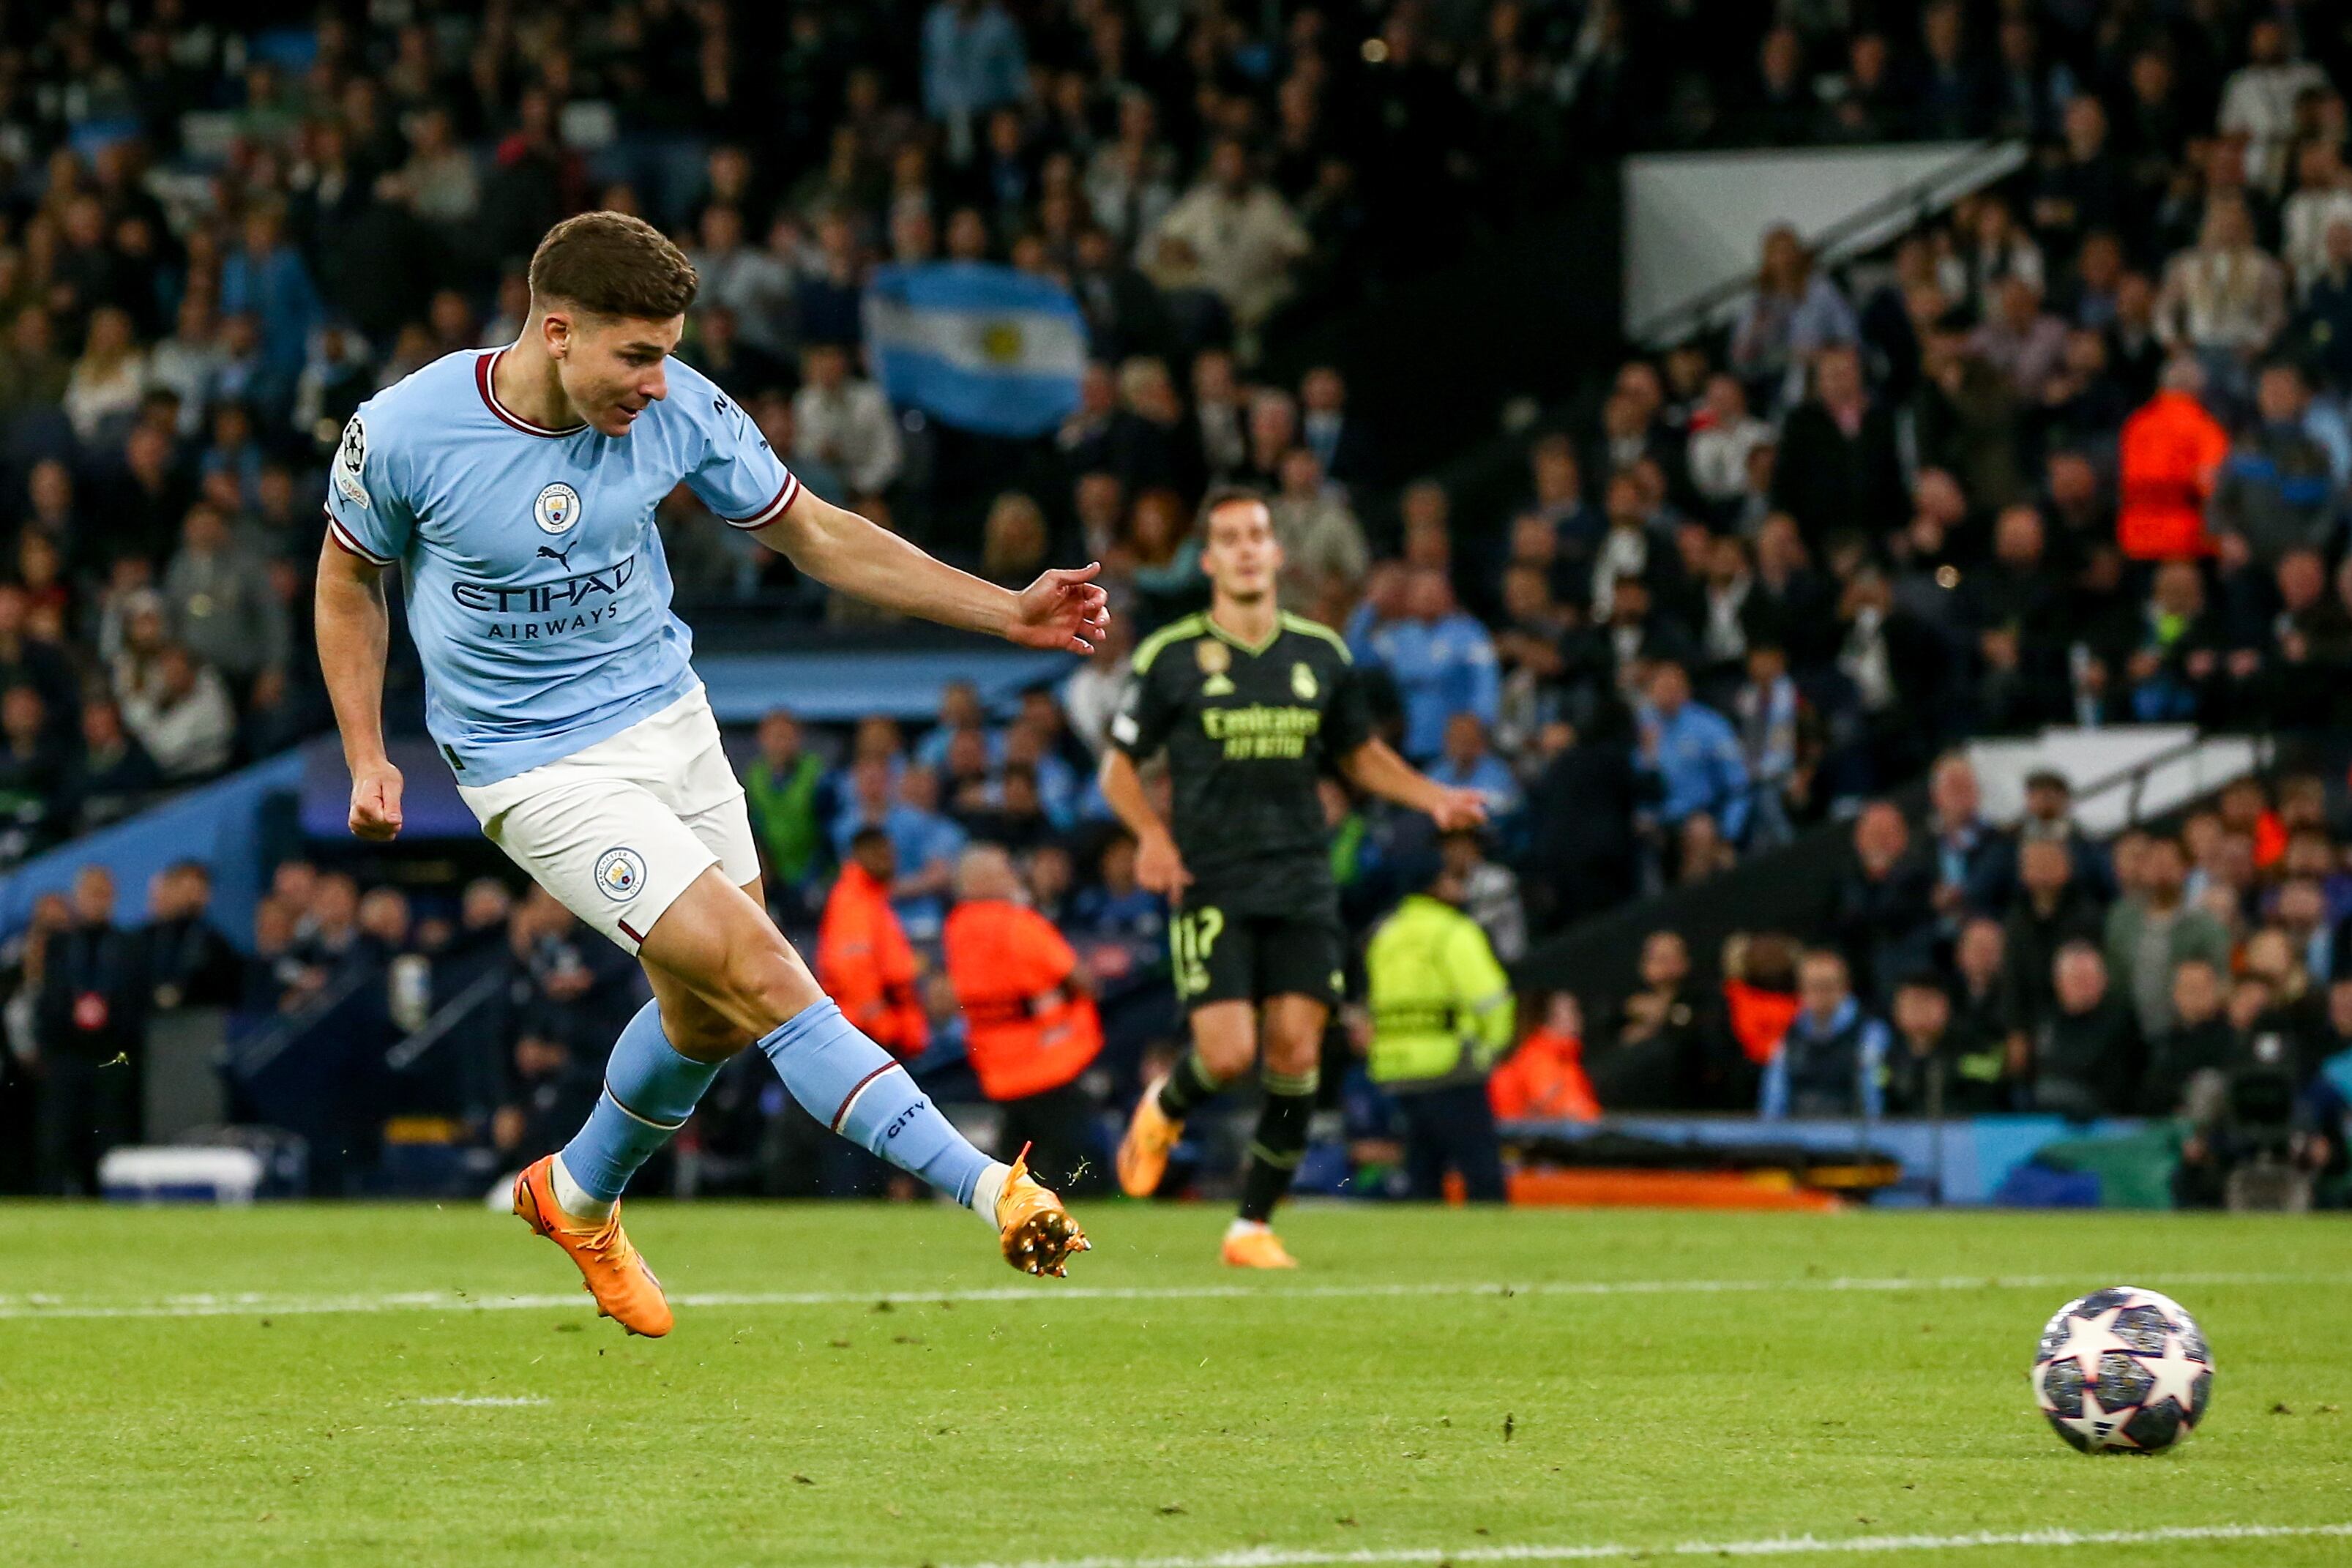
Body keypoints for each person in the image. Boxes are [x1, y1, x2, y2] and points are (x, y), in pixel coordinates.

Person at [316, 212, 1094, 1337]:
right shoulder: (404, 432)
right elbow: (349, 583)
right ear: (558, 329)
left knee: (712, 1015)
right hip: (532, 764)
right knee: (762, 971)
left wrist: (1003, 608)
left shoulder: (679, 410)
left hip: (670, 723)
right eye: (636, 355)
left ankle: (575, 1195)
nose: (656, 379)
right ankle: (990, 1186)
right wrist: (366, 750)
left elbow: (818, 535)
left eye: (670, 351)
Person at [1102, 488, 1485, 1267]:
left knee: (1297, 1049)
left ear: (1278, 555)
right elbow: (1119, 769)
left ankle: (1252, 1227)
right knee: (1232, 1052)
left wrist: (1433, 795)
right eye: (1231, 539)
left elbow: (1359, 756)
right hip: (1213, 878)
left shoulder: (1321, 654)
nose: (1246, 549)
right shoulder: (1171, 657)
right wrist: (1151, 837)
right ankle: (1166, 1104)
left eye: (1258, 537)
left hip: (1304, 877)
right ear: (1210, 561)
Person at [942, 845, 1103, 1192]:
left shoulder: (957, 929)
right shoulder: (1018, 924)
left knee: (1017, 1152)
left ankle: (1002, 1202)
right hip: (1047, 1058)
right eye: (1004, 868)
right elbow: (1079, 978)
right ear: (985, 879)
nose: (1013, 874)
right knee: (1071, 1157)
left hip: (996, 1064)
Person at [1364, 851, 1516, 1203]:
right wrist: (1494, 1047)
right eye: (1451, 878)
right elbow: (1490, 998)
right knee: (1483, 1175)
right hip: (1452, 1065)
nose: (1459, 885)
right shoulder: (1453, 931)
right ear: (1434, 884)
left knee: (1422, 1174)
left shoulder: (1385, 933)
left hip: (1398, 1068)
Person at [31, 867, 146, 1195]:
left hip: (110, 1058)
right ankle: (50, 1209)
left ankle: (109, 1204)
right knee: (56, 1142)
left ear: (113, 898)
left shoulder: (128, 946)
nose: (96, 901)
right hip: (67, 1056)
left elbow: (134, 1002)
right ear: (77, 898)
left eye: (103, 893)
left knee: (108, 1139)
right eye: (90, 893)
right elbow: (48, 998)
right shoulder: (59, 945)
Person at [815, 829, 930, 1061]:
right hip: (870, 1031)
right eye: (879, 855)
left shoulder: (871, 897)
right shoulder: (854, 900)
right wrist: (886, 1030)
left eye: (890, 855)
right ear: (859, 855)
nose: (889, 862)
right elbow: (855, 971)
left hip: (877, 1027)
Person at [1758, 949, 1888, 1119]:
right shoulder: (1788, 1036)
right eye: (1812, 986)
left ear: (1845, 987)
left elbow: (1873, 1092)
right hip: (1798, 1137)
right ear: (1801, 989)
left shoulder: (1870, 1033)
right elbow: (1774, 1097)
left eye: (1827, 986)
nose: (1819, 994)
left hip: (1852, 1136)